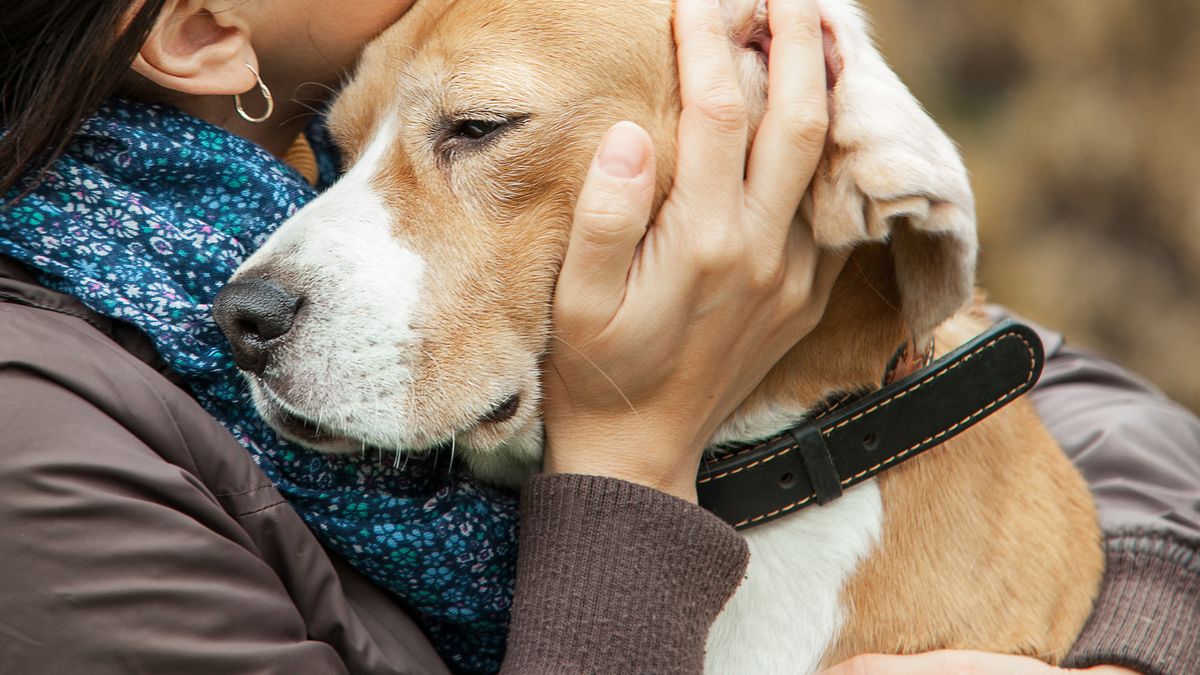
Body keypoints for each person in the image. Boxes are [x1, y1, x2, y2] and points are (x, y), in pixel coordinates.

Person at [0, 1, 1195, 674]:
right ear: (204, 26)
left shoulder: (408, 134)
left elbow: (1016, 369)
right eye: (470, 129)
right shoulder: (42, 446)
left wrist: (1120, 656)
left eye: (469, 131)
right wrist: (630, 449)